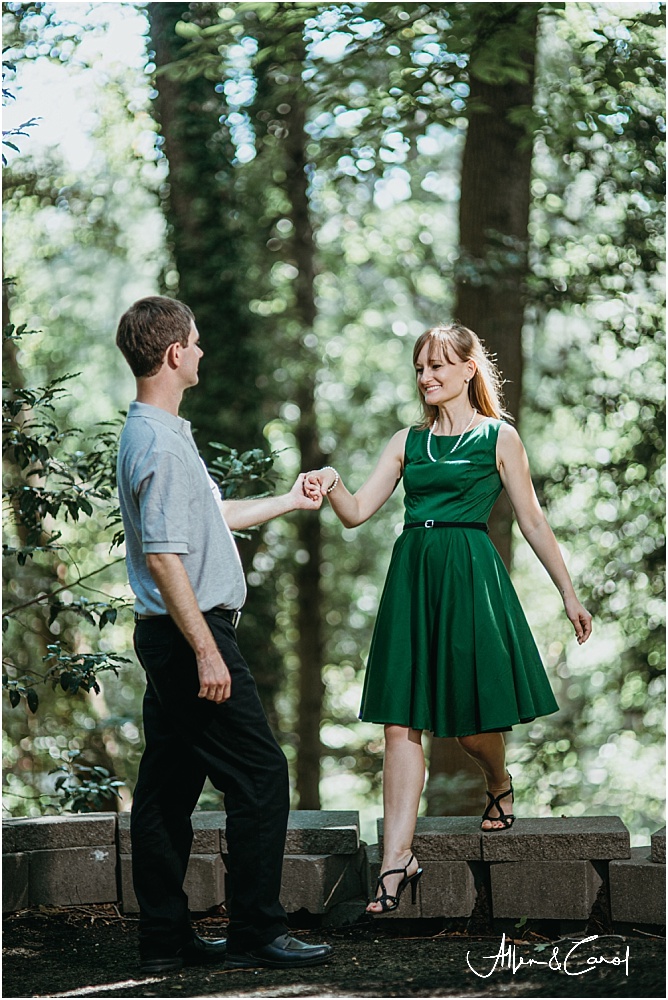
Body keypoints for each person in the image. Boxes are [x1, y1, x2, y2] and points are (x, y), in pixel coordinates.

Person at [304, 323, 592, 914]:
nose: (427, 376)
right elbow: (357, 512)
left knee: (469, 725)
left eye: (438, 365)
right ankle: (395, 862)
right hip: (413, 576)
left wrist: (568, 593)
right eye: (420, 367)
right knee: (401, 723)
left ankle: (497, 783)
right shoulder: (406, 441)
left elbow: (533, 520)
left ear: (468, 370)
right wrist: (333, 483)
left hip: (469, 575)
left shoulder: (498, 437)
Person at [115, 296, 333, 971]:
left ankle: (164, 937)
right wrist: (208, 651)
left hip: (175, 634)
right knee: (262, 775)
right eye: (198, 343)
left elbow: (212, 515)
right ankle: (256, 932)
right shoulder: (156, 441)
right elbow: (162, 555)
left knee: (167, 790)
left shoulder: (163, 432)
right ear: (175, 353)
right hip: (190, 637)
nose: (203, 353)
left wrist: (291, 501)